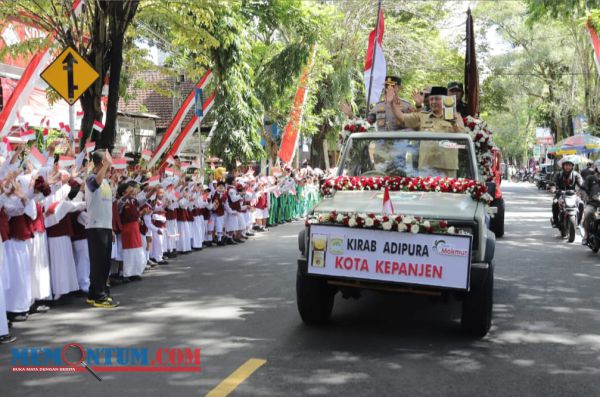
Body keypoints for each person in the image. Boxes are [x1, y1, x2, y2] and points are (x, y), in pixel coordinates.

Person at [85, 150, 119, 308]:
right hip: (95, 227)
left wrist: (111, 228)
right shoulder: (92, 178)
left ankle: (95, 293)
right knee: (98, 263)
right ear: (101, 162)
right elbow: (95, 184)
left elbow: (107, 208)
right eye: (107, 160)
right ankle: (99, 297)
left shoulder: (106, 181)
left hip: (105, 227)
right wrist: (106, 165)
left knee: (104, 263)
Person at [392, 86, 465, 133]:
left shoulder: (456, 117)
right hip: (427, 157)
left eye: (437, 99)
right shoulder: (422, 116)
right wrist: (391, 103)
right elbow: (401, 117)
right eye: (431, 99)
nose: (433, 102)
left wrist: (454, 124)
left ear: (445, 100)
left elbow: (463, 137)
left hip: (446, 157)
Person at [551, 158, 584, 228]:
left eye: (569, 165)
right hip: (560, 194)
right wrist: (553, 188)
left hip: (573, 195)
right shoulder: (558, 174)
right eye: (566, 165)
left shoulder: (576, 175)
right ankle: (555, 221)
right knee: (555, 202)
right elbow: (553, 183)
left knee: (581, 204)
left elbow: (581, 183)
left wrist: (582, 188)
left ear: (572, 166)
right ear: (563, 166)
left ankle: (579, 222)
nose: (568, 167)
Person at [581, 160, 600, 245]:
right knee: (587, 213)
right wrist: (587, 197)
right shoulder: (590, 178)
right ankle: (586, 235)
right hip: (593, 204)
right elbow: (583, 189)